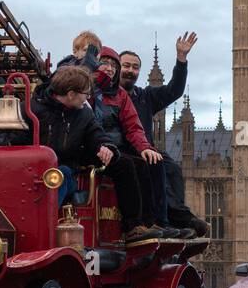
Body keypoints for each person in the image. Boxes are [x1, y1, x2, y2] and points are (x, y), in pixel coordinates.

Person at [30, 65, 162, 244]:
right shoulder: (32, 109)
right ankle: (39, 230)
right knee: (61, 175)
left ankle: (133, 227)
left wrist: (105, 147)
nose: (88, 98)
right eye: (85, 93)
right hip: (36, 170)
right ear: (71, 94)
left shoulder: (83, 112)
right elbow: (11, 139)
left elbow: (96, 133)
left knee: (125, 164)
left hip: (70, 164)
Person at [119, 34, 209, 238]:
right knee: (154, 165)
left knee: (173, 168)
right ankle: (163, 221)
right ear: (117, 67)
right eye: (126, 66)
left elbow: (174, 90)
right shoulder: (111, 96)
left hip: (147, 150)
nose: (130, 70)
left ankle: (178, 219)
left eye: (134, 67)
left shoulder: (144, 96)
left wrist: (181, 60)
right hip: (126, 151)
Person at [92, 48, 181, 239]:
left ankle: (153, 223)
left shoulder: (121, 95)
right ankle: (132, 225)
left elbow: (133, 126)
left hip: (115, 149)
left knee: (152, 161)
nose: (108, 68)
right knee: (127, 165)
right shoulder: (88, 89)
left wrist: (145, 147)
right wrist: (101, 144)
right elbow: (87, 122)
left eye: (112, 65)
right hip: (94, 146)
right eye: (104, 63)